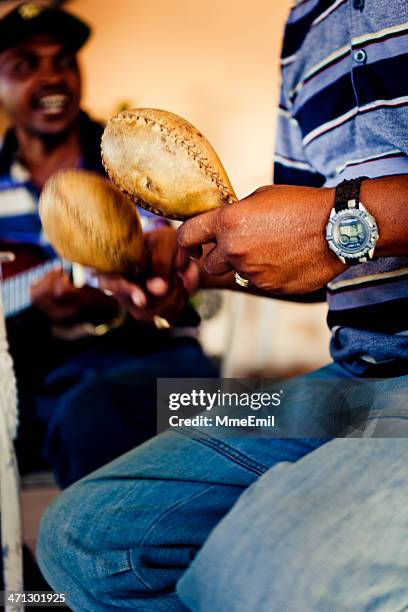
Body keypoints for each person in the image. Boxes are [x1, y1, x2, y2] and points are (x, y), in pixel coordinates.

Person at [37, 0, 408, 609]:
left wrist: (346, 217)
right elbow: (323, 262)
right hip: (351, 385)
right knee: (88, 539)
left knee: (257, 569)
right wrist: (200, 262)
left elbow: (335, 224)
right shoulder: (305, 24)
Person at [0, 2, 216, 490]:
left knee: (92, 418)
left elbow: (169, 258)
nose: (52, 77)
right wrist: (35, 313)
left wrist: (149, 268)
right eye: (25, 66)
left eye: (63, 61)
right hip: (41, 380)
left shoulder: (128, 157)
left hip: (155, 364)